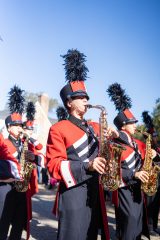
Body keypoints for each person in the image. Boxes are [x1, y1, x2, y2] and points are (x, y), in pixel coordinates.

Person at [46, 49, 119, 240]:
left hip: (96, 192)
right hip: (74, 194)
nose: (86, 100)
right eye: (81, 97)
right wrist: (88, 165)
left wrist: (112, 138)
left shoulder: (95, 127)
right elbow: (53, 166)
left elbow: (105, 154)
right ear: (69, 102)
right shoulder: (59, 128)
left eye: (87, 97)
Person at [106, 82, 157, 240]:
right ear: (123, 125)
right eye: (132, 123)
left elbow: (145, 159)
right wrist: (134, 174)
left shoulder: (136, 143)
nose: (136, 125)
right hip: (124, 189)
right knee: (129, 225)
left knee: (136, 226)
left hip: (137, 190)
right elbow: (112, 171)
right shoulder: (115, 143)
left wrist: (152, 154)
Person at [0, 86, 43, 240]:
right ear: (9, 127)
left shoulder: (26, 143)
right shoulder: (3, 142)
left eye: (21, 125)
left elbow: (41, 156)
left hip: (22, 189)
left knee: (18, 225)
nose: (20, 128)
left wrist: (33, 157)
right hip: (6, 188)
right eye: (16, 125)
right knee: (2, 224)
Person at [142, 111, 160, 236]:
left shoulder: (158, 147)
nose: (156, 137)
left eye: (156, 135)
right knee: (148, 204)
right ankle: (147, 226)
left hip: (159, 179)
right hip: (149, 178)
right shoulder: (145, 146)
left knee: (156, 204)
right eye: (154, 135)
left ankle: (153, 225)